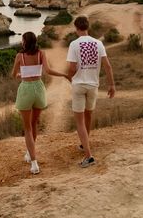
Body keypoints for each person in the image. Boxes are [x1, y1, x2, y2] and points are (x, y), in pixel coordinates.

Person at [11, 31, 67, 174]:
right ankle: (30, 154)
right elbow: (48, 70)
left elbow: (13, 75)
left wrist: (20, 74)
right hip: (39, 89)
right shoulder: (41, 53)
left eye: (22, 40)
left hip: (26, 90)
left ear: (25, 42)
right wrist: (64, 75)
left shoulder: (20, 56)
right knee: (34, 123)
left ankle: (34, 164)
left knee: (27, 128)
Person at [66, 15, 115, 168]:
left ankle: (89, 156)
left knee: (79, 121)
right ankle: (83, 144)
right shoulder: (98, 43)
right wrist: (111, 85)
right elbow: (107, 66)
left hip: (79, 85)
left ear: (76, 28)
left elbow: (72, 68)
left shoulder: (74, 44)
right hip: (94, 85)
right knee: (88, 115)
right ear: (88, 27)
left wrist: (69, 77)